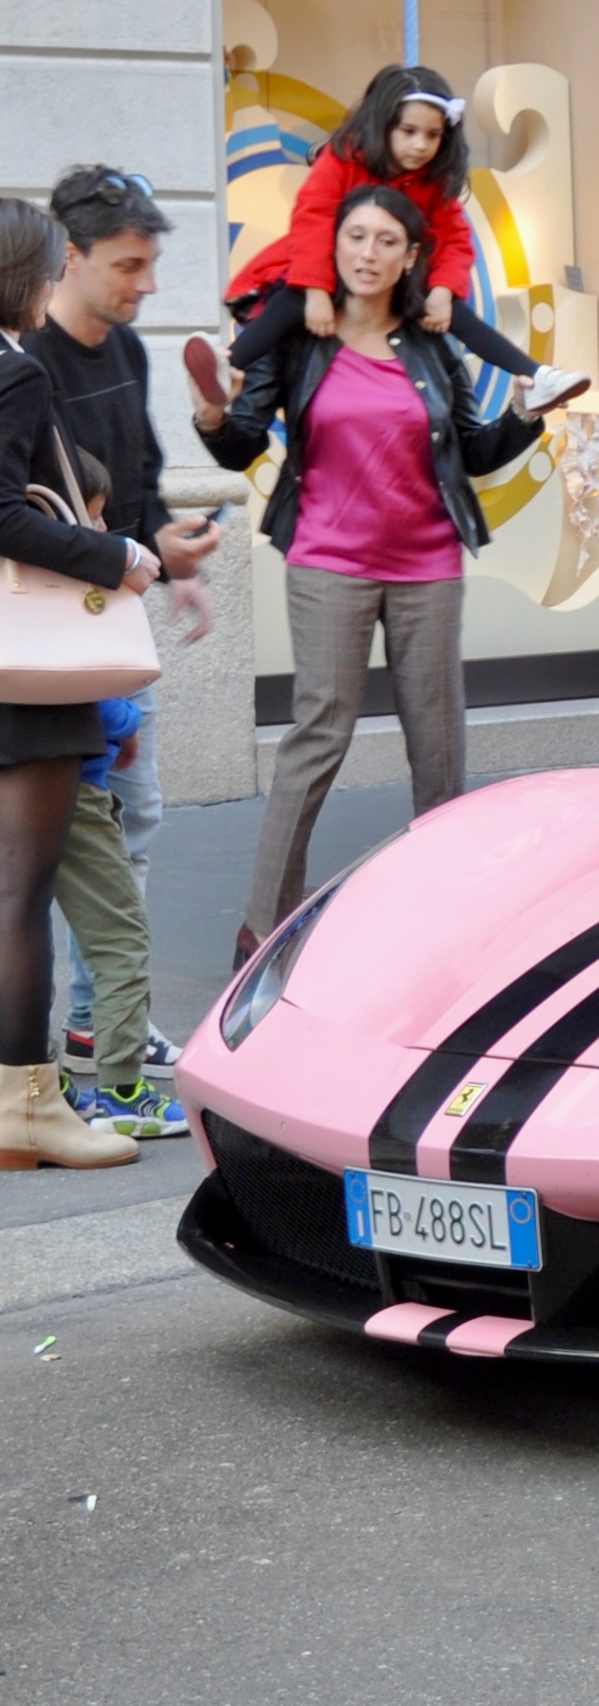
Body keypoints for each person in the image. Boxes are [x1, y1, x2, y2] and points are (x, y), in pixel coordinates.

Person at [196, 184, 545, 962]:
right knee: (319, 736)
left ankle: (445, 921)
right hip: (329, 561)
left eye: (387, 241)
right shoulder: (297, 342)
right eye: (355, 236)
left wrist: (526, 413)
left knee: (439, 747)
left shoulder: (431, 347)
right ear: (335, 245)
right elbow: (241, 444)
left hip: (428, 566)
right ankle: (263, 924)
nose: (367, 253)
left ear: (411, 256)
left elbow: (475, 453)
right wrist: (214, 415)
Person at [30, 164, 222, 1081]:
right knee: (77, 840)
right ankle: (89, 1033)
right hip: (45, 641)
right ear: (69, 255)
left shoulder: (128, 351)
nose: (145, 283)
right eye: (128, 264)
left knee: (123, 827)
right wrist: (132, 558)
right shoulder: (27, 367)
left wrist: (168, 557)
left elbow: (133, 488)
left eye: (148, 263)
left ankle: (92, 1023)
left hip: (112, 625)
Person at [0, 198, 156, 1169]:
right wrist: (114, 554)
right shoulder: (16, 374)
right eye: (54, 268)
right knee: (23, 891)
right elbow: (6, 517)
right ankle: (28, 1106)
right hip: (26, 667)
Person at [182, 65, 587, 417]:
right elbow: (313, 220)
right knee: (290, 300)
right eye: (409, 131)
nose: (420, 145)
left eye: (432, 135)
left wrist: (444, 291)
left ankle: (537, 377)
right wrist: (316, 291)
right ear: (383, 126)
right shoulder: (344, 159)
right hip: (323, 267)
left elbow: (455, 240)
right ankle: (227, 362)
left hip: (390, 286)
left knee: (459, 315)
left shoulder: (433, 182)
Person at [48, 450, 185, 1137]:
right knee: (119, 937)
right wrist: (128, 720)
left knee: (22, 929)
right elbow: (98, 701)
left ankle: (37, 1087)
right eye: (97, 517)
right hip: (74, 780)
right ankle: (125, 1091)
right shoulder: (65, 583)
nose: (103, 531)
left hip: (23, 777)